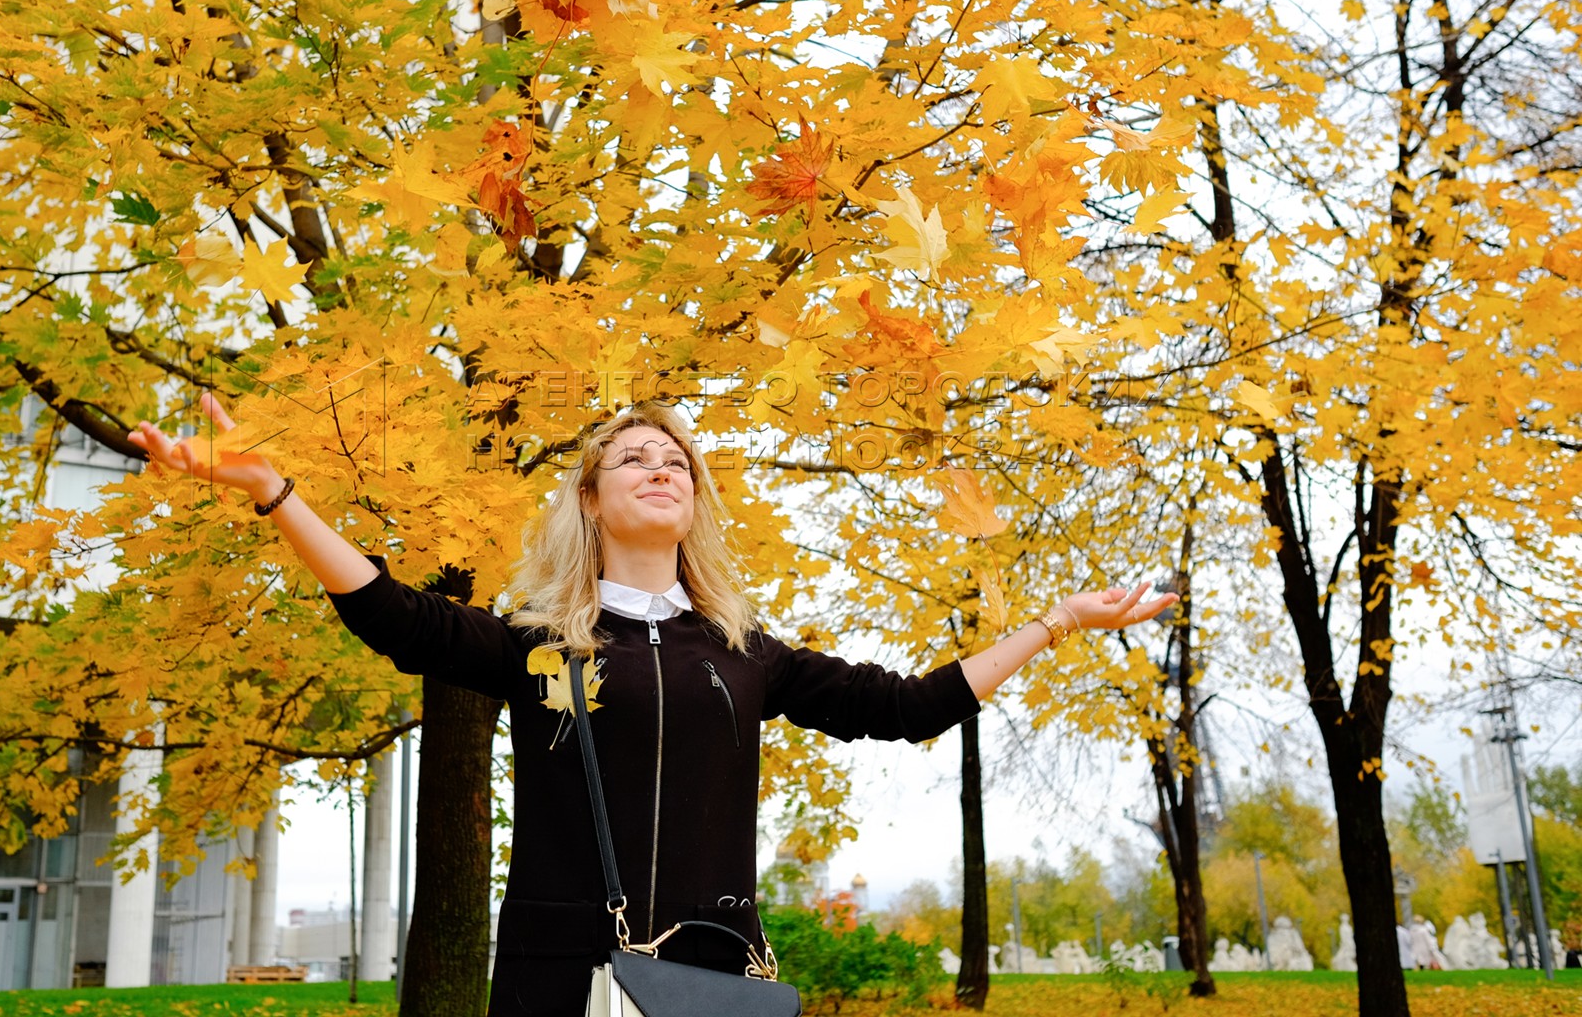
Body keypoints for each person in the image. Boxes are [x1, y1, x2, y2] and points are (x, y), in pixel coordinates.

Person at [130, 394, 1177, 1016]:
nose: (660, 468)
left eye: (677, 461)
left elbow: (907, 708)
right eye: (635, 457)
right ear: (592, 497)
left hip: (710, 977)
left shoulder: (742, 654)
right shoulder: (540, 647)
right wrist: (277, 494)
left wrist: (1059, 624)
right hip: (559, 979)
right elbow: (397, 618)